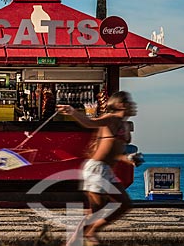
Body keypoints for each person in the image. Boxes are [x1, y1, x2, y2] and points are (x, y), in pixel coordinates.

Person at [56, 91, 138, 246]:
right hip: (97, 169)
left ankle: (77, 239)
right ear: (119, 104)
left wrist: (128, 159)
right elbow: (89, 123)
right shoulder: (111, 119)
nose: (132, 104)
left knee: (112, 207)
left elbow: (115, 152)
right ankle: (86, 235)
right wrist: (73, 111)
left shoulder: (125, 125)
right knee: (109, 207)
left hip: (106, 170)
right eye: (128, 101)